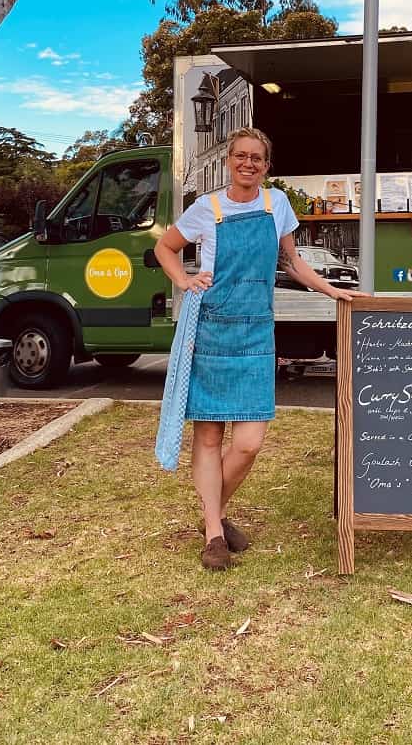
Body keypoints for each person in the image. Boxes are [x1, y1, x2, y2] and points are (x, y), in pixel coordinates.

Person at [155, 126, 360, 571]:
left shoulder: (277, 204)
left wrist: (333, 291)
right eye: (241, 156)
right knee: (209, 436)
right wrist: (185, 281)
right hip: (211, 331)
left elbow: (293, 262)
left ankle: (215, 512)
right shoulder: (206, 209)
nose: (248, 163)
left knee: (248, 443)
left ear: (267, 166)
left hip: (255, 336)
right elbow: (166, 248)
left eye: (257, 158)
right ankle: (214, 532)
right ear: (229, 160)